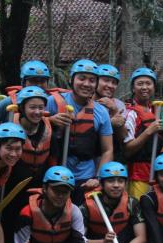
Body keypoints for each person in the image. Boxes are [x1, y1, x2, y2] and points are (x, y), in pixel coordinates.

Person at [46, 59, 114, 206]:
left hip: (85, 176)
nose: (86, 84)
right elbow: (32, 125)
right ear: (72, 79)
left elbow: (108, 150)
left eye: (92, 80)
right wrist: (50, 120)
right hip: (54, 172)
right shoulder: (52, 102)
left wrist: (98, 177)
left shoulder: (101, 112)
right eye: (81, 78)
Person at [1, 86, 57, 243]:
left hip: (37, 184)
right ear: (22, 108)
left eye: (41, 107)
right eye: (32, 107)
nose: (37, 112)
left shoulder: (48, 129)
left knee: (33, 222)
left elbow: (53, 158)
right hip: (11, 185)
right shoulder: (9, 128)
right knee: (10, 222)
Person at [123, 67, 163, 200]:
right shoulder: (131, 113)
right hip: (139, 174)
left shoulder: (158, 110)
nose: (145, 87)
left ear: (154, 87)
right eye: (140, 84)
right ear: (133, 88)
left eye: (148, 84)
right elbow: (128, 150)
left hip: (160, 173)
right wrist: (149, 131)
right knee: (140, 211)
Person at [0, 60, 52, 125]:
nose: (38, 85)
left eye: (42, 81)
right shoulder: (8, 102)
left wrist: (51, 121)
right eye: (33, 80)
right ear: (23, 82)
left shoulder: (51, 102)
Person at [94, 64, 126, 148]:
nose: (110, 85)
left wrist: (114, 110)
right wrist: (108, 123)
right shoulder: (85, 101)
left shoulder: (119, 104)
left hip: (109, 151)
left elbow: (124, 137)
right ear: (95, 81)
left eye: (114, 83)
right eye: (106, 80)